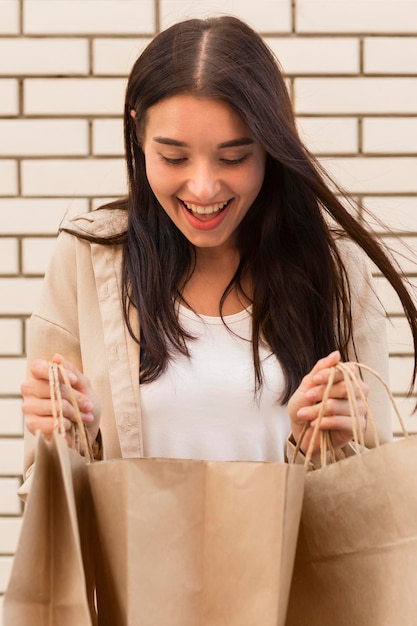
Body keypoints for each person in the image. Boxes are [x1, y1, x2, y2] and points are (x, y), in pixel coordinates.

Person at [20, 15, 417, 493]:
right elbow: (44, 495)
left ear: (271, 147)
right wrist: (74, 438)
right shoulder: (87, 259)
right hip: (137, 569)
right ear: (138, 136)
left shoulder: (334, 271)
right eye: (173, 157)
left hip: (284, 571)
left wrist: (327, 447)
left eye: (234, 157)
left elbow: (372, 505)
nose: (204, 187)